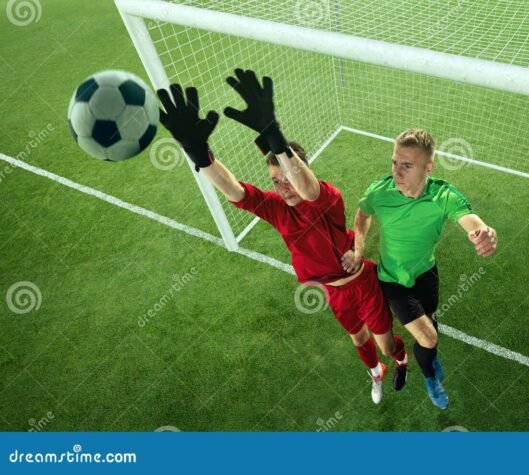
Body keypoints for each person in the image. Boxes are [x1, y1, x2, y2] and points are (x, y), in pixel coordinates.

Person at [156, 70, 408, 404]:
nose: (282, 187)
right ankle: (375, 373)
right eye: (275, 180)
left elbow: (305, 185)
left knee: (385, 344)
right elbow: (235, 190)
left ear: (303, 170)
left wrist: (273, 134)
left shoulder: (326, 199)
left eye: (286, 177)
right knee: (357, 338)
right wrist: (199, 155)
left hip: (363, 285)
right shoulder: (276, 208)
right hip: (334, 293)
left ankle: (400, 358)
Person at [345, 129, 498, 409]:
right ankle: (431, 379)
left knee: (431, 323)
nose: (397, 171)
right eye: (394, 162)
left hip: (427, 274)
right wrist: (358, 248)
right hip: (393, 280)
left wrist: (483, 232)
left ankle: (430, 358)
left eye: (407, 165)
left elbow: (469, 220)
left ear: (428, 168)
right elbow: (362, 217)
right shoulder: (379, 192)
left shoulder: (442, 195)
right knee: (428, 337)